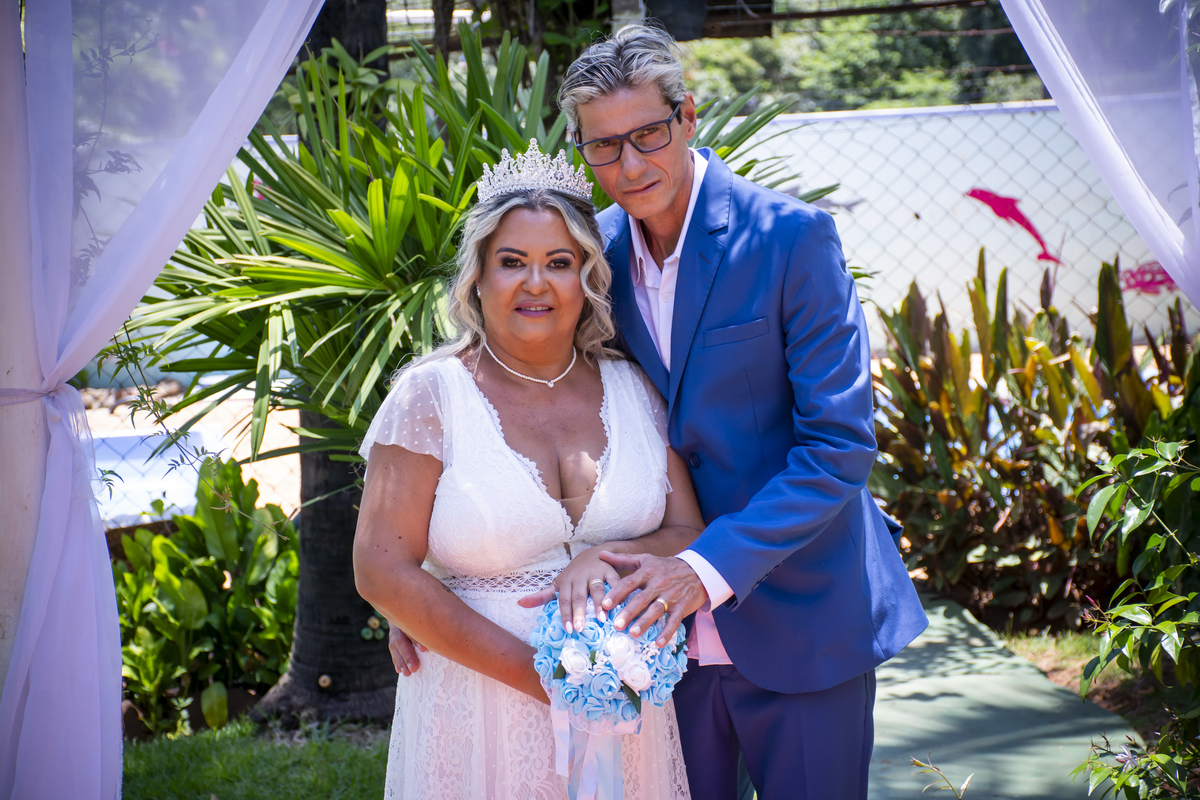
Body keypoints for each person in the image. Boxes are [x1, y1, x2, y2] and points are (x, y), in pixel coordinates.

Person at [534, 23, 929, 800]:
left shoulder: (791, 238)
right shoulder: (591, 256)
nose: (629, 166)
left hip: (804, 615)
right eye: (603, 146)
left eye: (647, 135)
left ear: (687, 116)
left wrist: (703, 569)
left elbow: (839, 447)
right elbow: (534, 401)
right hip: (649, 642)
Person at [352, 142, 701, 799]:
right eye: (512, 262)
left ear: (588, 278)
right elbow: (381, 569)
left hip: (623, 708)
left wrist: (606, 560)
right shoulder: (431, 396)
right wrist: (555, 684)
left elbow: (688, 531)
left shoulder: (635, 389)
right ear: (478, 278)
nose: (535, 283)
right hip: (478, 706)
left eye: (559, 263)